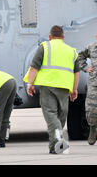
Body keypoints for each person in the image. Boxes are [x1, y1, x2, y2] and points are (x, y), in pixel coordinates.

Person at [24, 25, 80, 154]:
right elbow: (76, 72)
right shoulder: (72, 51)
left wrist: (29, 84)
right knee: (60, 116)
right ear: (63, 37)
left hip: (48, 85)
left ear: (50, 37)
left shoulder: (45, 46)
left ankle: (59, 144)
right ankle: (54, 146)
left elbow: (34, 68)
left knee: (51, 115)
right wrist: (74, 89)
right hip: (65, 87)